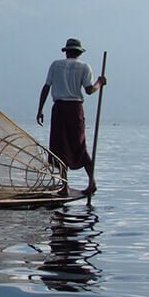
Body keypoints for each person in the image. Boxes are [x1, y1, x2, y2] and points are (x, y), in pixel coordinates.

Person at [36, 38, 106, 193]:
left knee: (59, 147)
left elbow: (46, 87)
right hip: (75, 109)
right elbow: (89, 90)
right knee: (79, 146)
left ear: (66, 52)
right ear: (79, 53)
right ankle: (91, 183)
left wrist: (40, 109)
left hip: (59, 108)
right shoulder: (84, 67)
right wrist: (99, 83)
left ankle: (65, 186)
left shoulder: (56, 65)